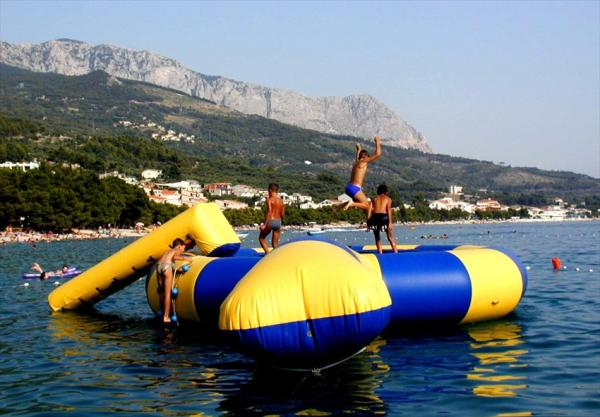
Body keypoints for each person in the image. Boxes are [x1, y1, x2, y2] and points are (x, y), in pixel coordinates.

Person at [343, 135, 382, 213]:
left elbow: (357, 157)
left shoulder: (357, 163)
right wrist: (377, 142)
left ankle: (344, 204)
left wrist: (358, 149)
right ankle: (351, 204)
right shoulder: (364, 161)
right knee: (367, 205)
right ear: (366, 157)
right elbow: (378, 154)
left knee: (366, 208)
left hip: (349, 187)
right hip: (355, 188)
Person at [156, 238, 189, 323]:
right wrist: (185, 258)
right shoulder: (176, 250)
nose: (183, 251)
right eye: (183, 248)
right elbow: (174, 257)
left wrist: (179, 271)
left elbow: (170, 263)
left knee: (161, 291)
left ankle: (162, 311)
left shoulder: (168, 251)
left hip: (158, 266)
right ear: (179, 246)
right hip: (166, 266)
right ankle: (166, 317)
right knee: (168, 294)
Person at [367, 184, 398, 254]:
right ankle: (395, 252)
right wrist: (390, 223)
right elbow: (388, 210)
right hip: (384, 217)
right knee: (390, 237)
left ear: (378, 191)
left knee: (377, 237)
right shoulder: (388, 199)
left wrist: (368, 220)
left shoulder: (374, 199)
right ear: (386, 191)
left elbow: (369, 210)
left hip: (375, 217)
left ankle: (380, 253)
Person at [259, 183, 285, 253]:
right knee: (275, 244)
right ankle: (278, 256)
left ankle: (267, 254)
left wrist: (264, 225)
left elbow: (269, 212)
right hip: (278, 222)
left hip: (270, 221)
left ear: (270, 190)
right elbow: (282, 214)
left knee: (261, 238)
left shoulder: (269, 199)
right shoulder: (281, 201)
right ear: (277, 191)